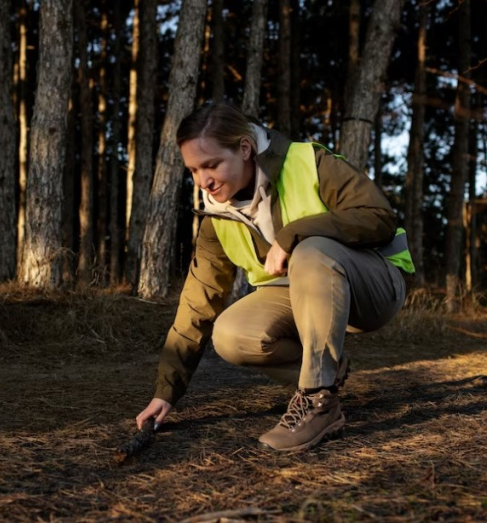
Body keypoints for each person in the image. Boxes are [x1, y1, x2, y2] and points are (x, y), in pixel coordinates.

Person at [136, 102, 414, 452]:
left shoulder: (307, 161)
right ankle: (327, 372)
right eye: (193, 170)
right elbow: (198, 302)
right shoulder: (217, 217)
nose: (202, 181)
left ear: (244, 148)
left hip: (374, 285)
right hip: (304, 300)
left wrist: (295, 233)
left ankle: (317, 402)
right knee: (231, 334)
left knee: (311, 250)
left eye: (211, 165)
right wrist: (166, 393)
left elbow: (379, 217)